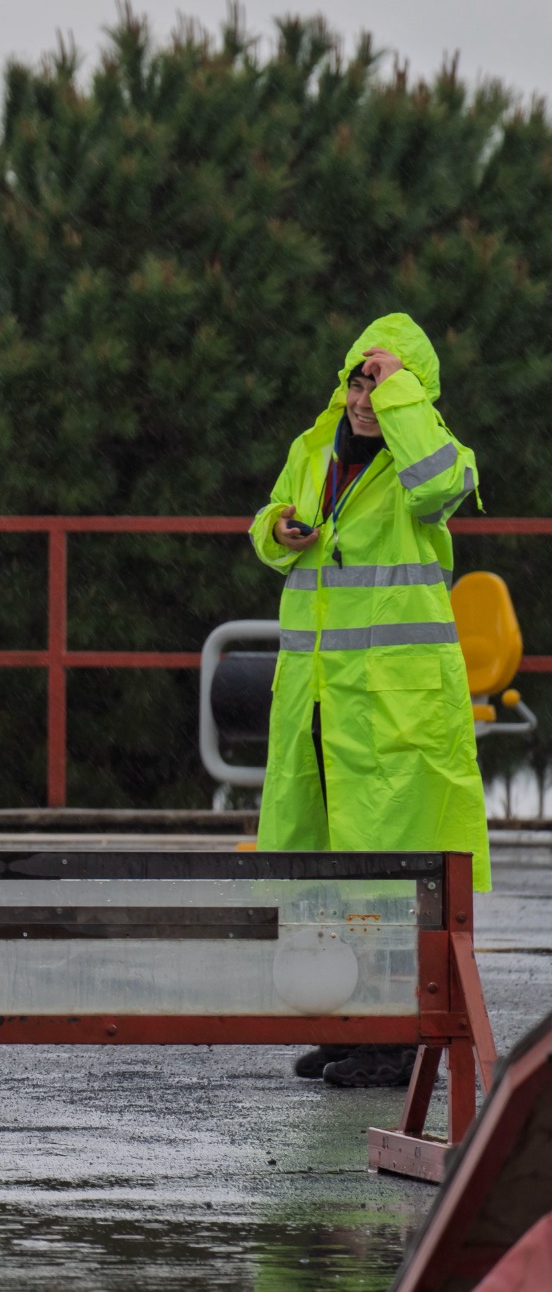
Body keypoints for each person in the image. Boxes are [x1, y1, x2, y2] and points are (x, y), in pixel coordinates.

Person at [250, 314, 487, 1090]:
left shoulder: (431, 453)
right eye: (359, 380)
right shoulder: (313, 450)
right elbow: (267, 520)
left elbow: (441, 487)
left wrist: (401, 400)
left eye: (381, 382)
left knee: (391, 877)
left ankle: (395, 1042)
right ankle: (347, 1025)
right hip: (320, 703)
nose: (364, 397)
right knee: (324, 869)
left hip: (395, 712)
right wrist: (276, 530)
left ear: (412, 391)